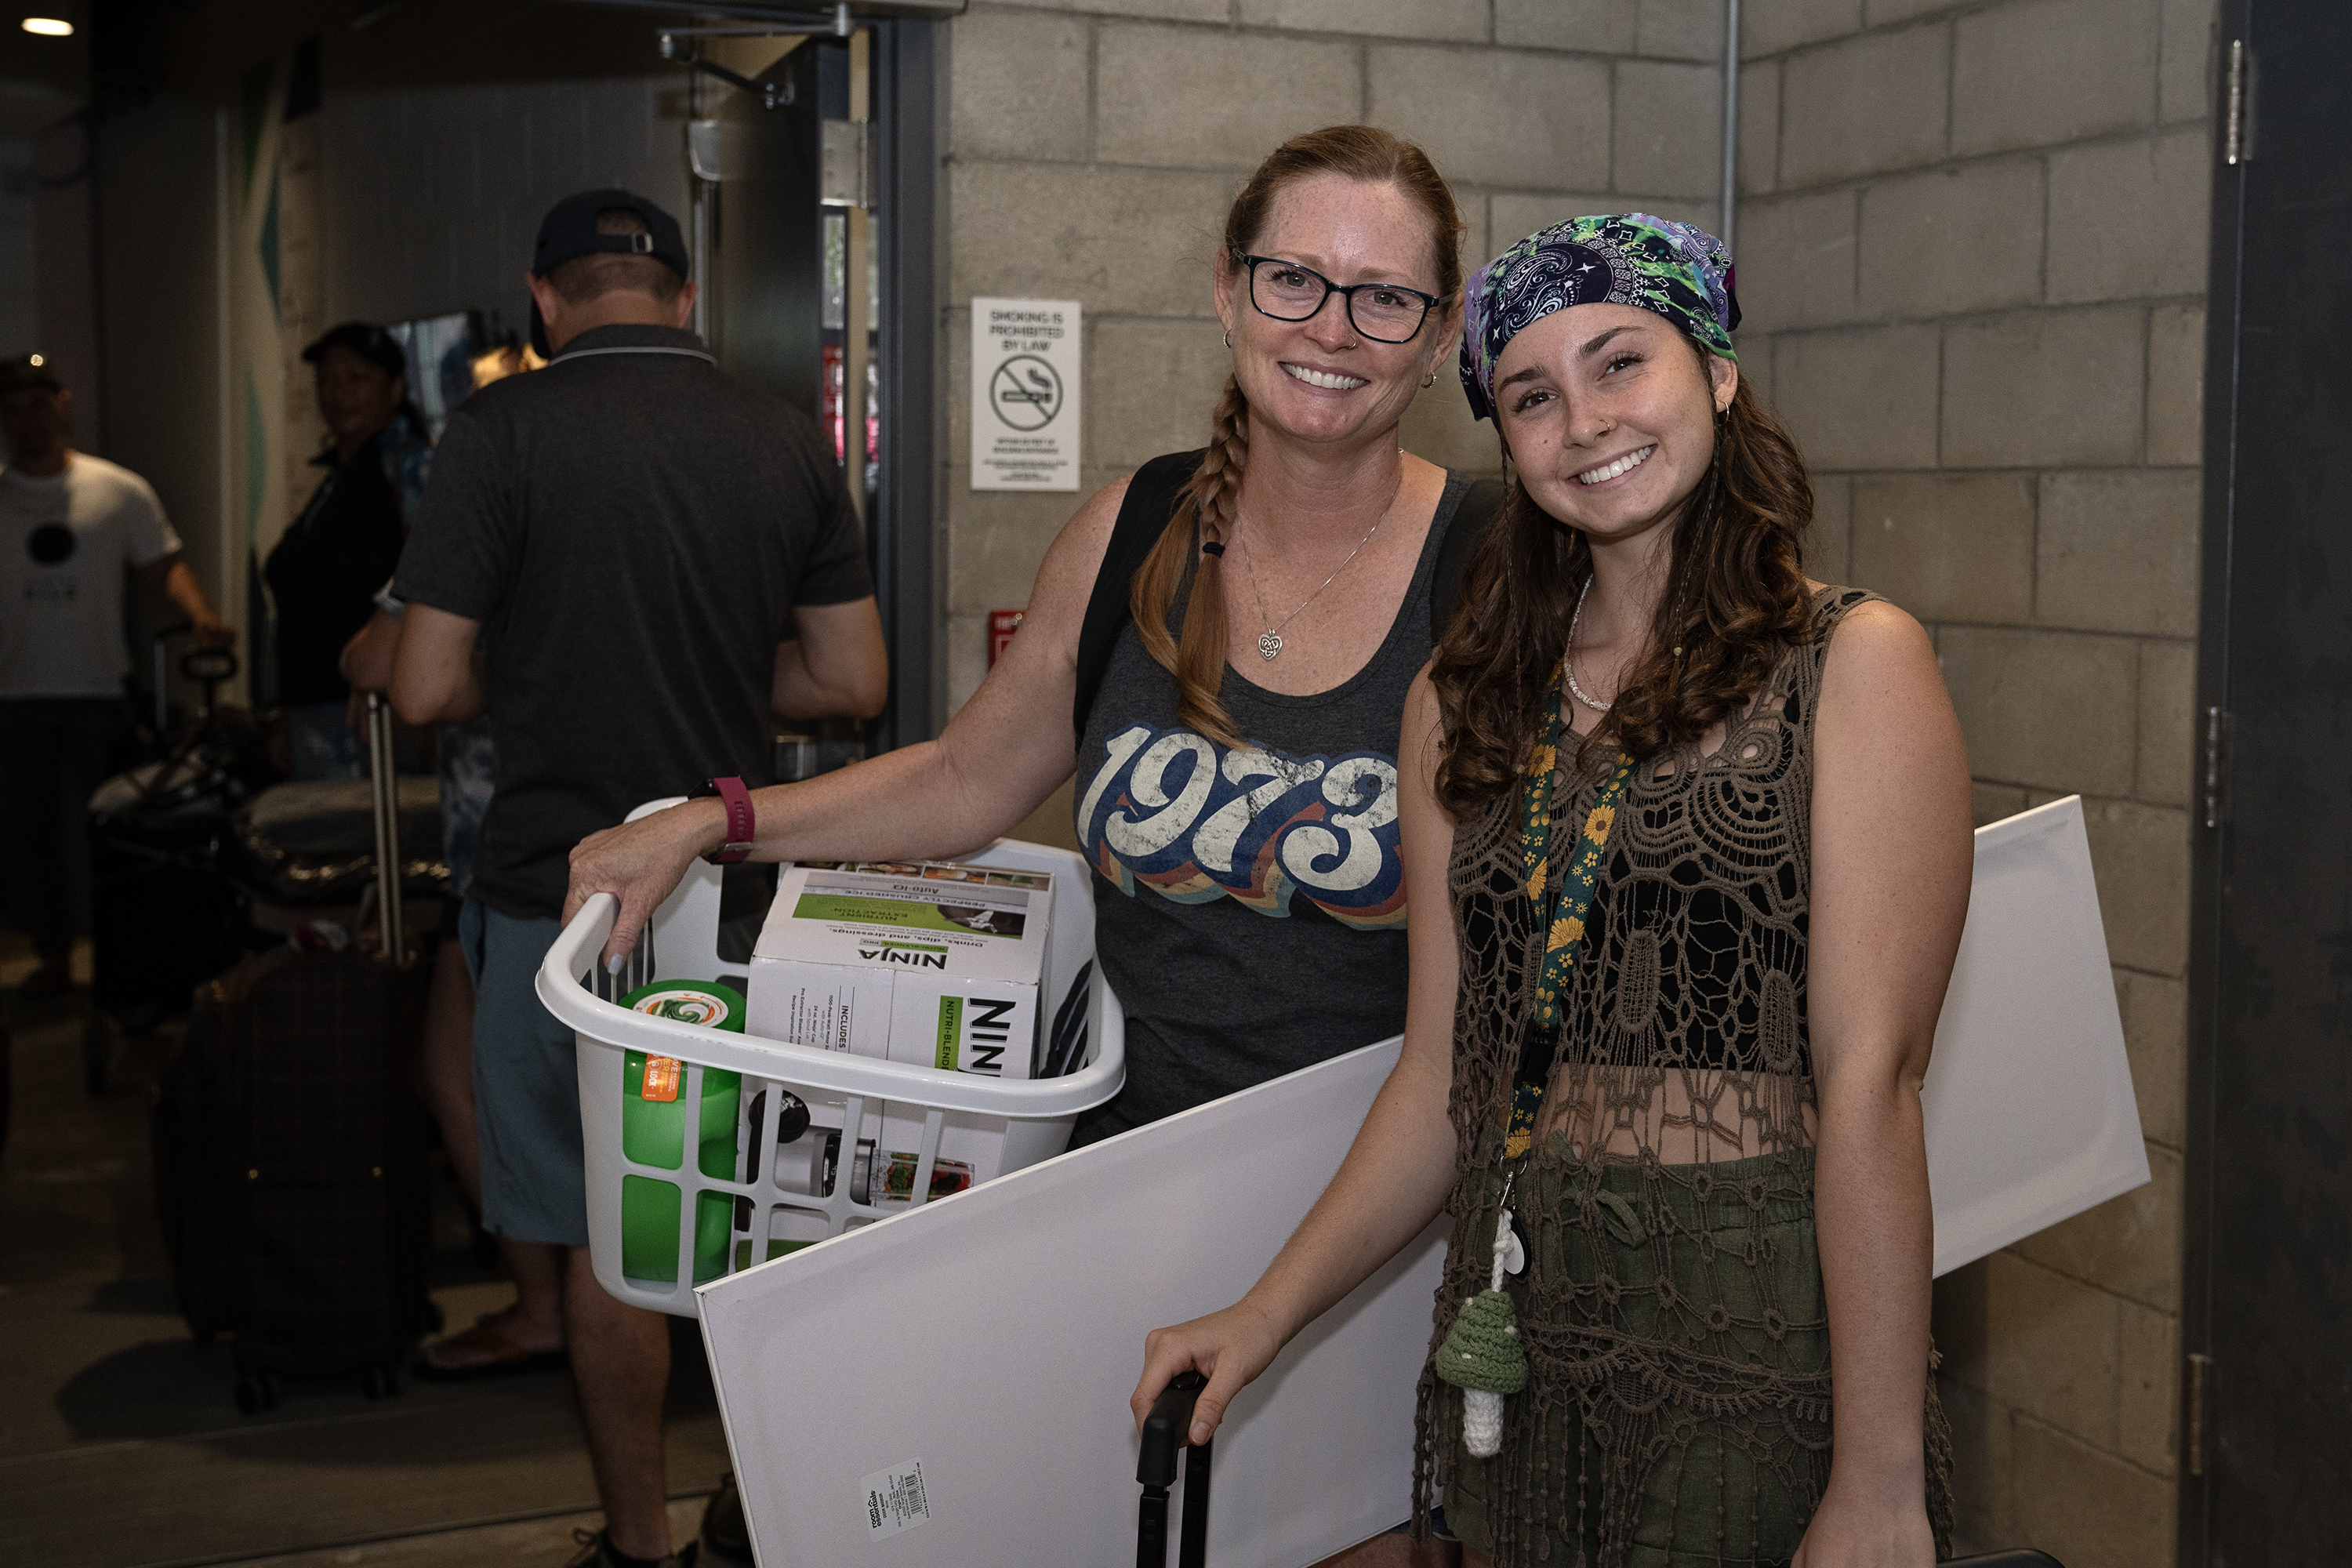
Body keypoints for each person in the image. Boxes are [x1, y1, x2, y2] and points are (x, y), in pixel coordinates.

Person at [1129, 216, 1973, 1568]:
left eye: (1621, 363)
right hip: (1514, 1320)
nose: (1584, 422)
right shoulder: (1460, 703)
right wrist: (1264, 1312)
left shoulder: (1852, 661)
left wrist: (1876, 1486)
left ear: (1718, 374)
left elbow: (1871, 1083)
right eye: (1532, 394)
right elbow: (1437, 1083)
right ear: (1505, 439)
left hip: (1748, 1322)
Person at [566, 125, 1481, 1151]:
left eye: (1386, 298)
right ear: (1228, 290)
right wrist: (709, 822)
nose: (1332, 327)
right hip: (1127, 1172)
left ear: (1441, 339)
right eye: (1293, 279)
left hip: (1384, 1211)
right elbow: (961, 777)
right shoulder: (1131, 532)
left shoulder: (1493, 575)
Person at [387, 188, 889, 1568]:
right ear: (684, 297)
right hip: (733, 898)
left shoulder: (499, 432)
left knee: (620, 1238)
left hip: (563, 909)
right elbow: (853, 682)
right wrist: (725, 676)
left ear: (546, 302)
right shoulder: (788, 441)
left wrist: (523, 659)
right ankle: (793, 1522)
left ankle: (638, 1545)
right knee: (755, 1218)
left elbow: (426, 683)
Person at [342, 342, 560, 1382]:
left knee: (460, 1077)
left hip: (507, 859)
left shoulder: (474, 525)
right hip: (649, 850)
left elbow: (385, 665)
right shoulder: (625, 515)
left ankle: (542, 1304)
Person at [0, 354, 233, 1000]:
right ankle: (51, 954)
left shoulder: (118, 491)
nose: (27, 416)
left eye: (38, 402)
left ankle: (119, 957)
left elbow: (161, 567)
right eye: (13, 405)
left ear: (62, 405)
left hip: (97, 691)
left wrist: (202, 616)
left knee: (116, 835)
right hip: (13, 697)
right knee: (30, 836)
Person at [265, 321, 430, 779]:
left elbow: (434, 580)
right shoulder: (338, 478)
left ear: (396, 389)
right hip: (315, 709)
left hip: (372, 712)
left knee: (364, 846)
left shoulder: (411, 466)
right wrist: (286, 712)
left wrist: (392, 678)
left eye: (357, 379)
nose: (338, 393)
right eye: (327, 379)